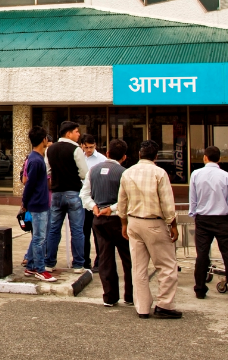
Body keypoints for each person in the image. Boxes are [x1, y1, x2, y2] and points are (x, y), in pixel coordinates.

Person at [117, 140, 181, 319]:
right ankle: (165, 304)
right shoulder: (159, 173)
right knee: (167, 265)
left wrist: (124, 223)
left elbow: (121, 202)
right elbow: (167, 203)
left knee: (138, 267)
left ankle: (142, 307)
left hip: (133, 222)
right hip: (154, 222)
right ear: (156, 157)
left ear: (139, 154)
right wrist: (173, 224)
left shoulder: (127, 173)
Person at [189, 146, 228, 302]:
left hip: (203, 219)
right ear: (220, 159)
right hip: (222, 219)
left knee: (202, 256)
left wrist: (194, 214)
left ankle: (200, 289)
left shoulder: (196, 174)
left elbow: (193, 198)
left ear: (205, 158)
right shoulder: (226, 176)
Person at [85, 139, 133, 307]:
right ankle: (130, 295)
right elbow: (127, 199)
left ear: (107, 153)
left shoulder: (93, 170)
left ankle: (110, 296)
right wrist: (111, 208)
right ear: (124, 157)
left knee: (105, 258)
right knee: (128, 258)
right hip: (118, 220)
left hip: (98, 219)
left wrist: (94, 207)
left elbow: (84, 194)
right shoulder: (124, 173)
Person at [44, 121, 89, 273]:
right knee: (77, 230)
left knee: (53, 229)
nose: (78, 134)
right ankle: (78, 264)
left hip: (56, 194)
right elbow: (84, 173)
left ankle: (49, 262)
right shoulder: (76, 149)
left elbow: (47, 171)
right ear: (68, 133)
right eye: (76, 132)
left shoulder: (50, 150)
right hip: (73, 193)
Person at [21, 127, 55, 282]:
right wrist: (24, 203)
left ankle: (31, 266)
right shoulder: (36, 160)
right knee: (40, 239)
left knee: (38, 237)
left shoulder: (37, 158)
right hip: (38, 204)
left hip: (39, 203)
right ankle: (40, 269)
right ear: (44, 140)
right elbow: (29, 184)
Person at [79, 133, 107, 269]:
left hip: (97, 200)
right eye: (86, 147)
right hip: (84, 200)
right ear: (82, 146)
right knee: (84, 232)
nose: (89, 150)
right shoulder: (79, 158)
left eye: (91, 147)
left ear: (95, 145)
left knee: (98, 233)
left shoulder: (101, 159)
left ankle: (99, 261)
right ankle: (85, 260)